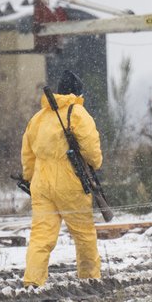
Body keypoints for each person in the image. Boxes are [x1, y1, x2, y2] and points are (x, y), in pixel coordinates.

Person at [21, 70, 103, 287]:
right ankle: (89, 279)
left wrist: (30, 179)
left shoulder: (37, 118)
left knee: (41, 236)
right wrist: (95, 165)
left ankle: (32, 281)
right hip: (70, 182)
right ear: (77, 91)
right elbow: (91, 150)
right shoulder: (78, 113)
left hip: (41, 183)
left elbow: (27, 155)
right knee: (83, 234)